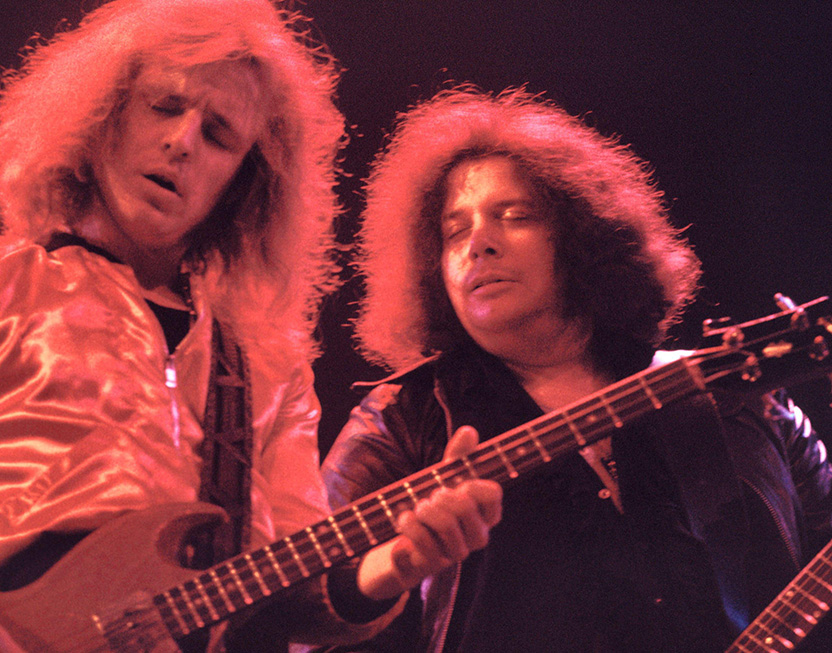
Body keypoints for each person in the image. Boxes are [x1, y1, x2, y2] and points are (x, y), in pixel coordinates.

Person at [0, 2, 500, 651]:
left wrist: (400, 560)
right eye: (163, 105)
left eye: (218, 135)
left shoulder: (267, 361)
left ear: (242, 182)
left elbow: (299, 593)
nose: (182, 142)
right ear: (103, 114)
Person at [320, 87, 832, 651]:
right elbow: (303, 607)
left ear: (583, 237)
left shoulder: (733, 394)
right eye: (454, 231)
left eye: (513, 216)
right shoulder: (405, 418)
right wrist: (397, 561)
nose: (478, 245)